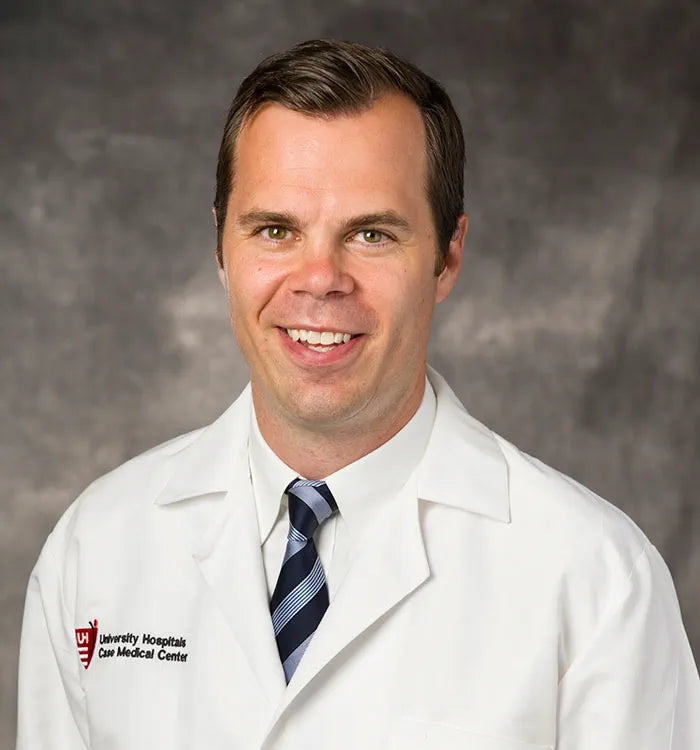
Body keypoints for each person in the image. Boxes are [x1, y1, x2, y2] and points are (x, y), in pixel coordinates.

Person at [16, 38, 699, 750]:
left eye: (371, 234)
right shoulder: (95, 550)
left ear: (447, 257)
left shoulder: (595, 581)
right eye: (275, 230)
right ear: (222, 247)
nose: (320, 279)